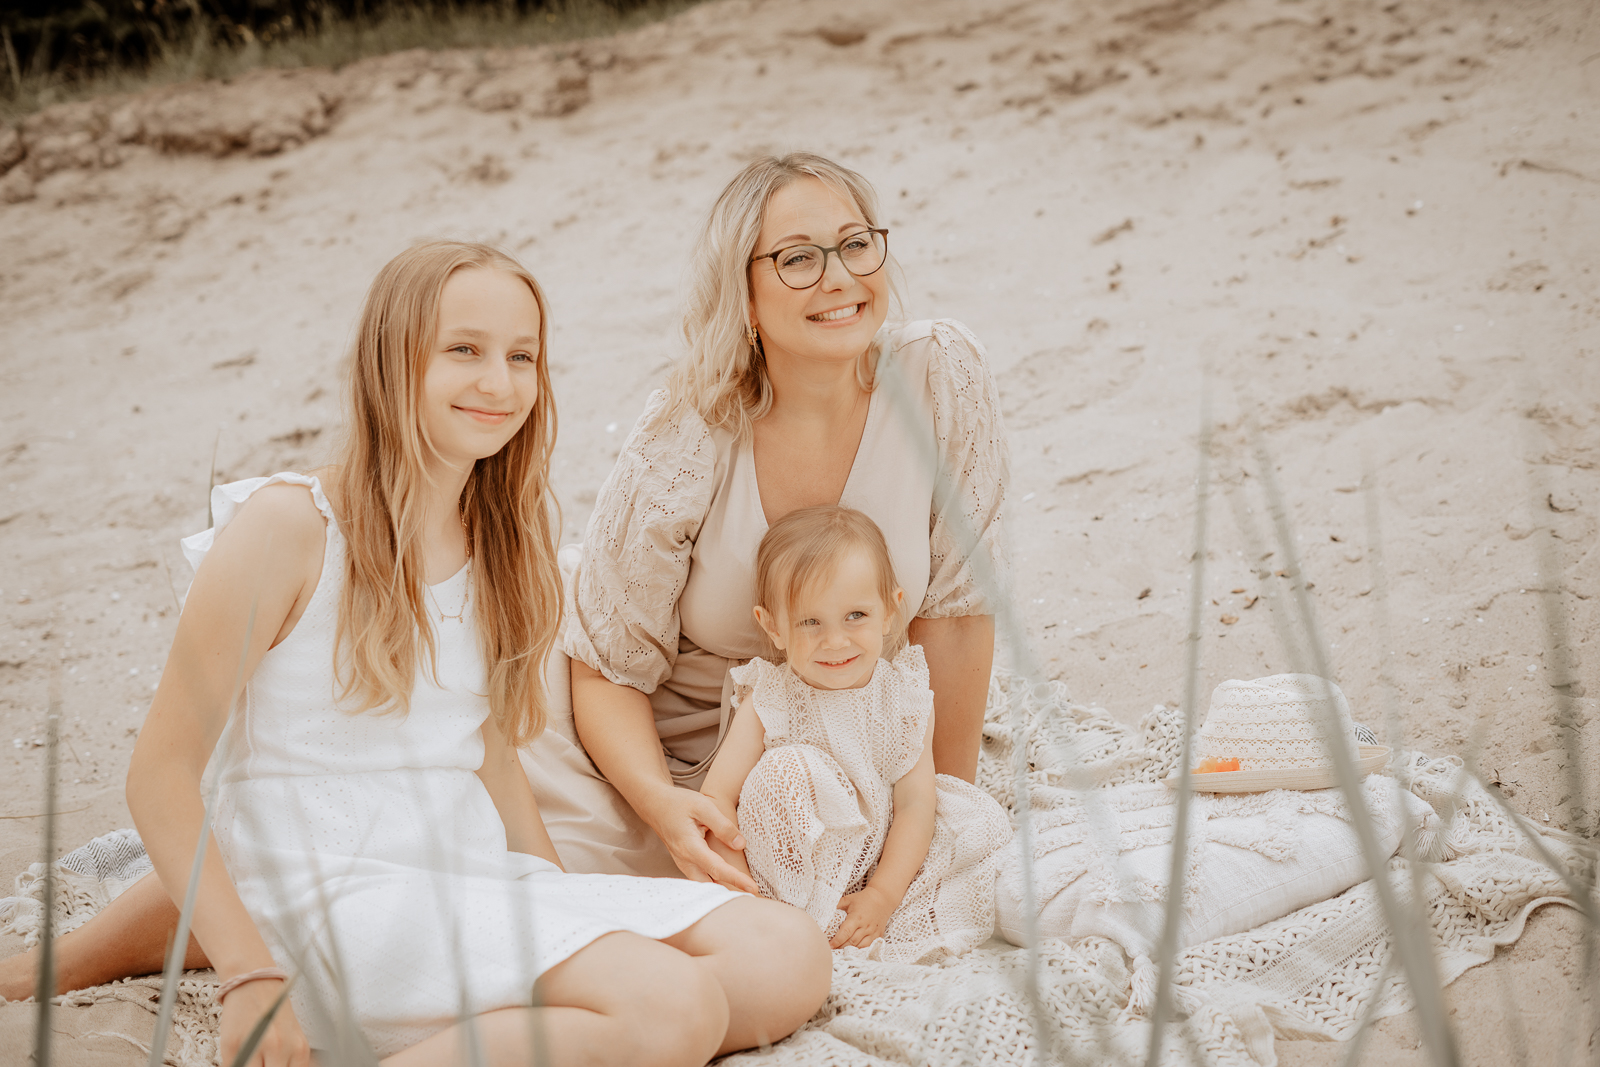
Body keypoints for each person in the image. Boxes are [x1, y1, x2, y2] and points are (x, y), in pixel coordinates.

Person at [25, 241, 830, 1067]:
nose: (500, 382)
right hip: (325, 892)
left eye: (523, 356)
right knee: (673, 1003)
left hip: (462, 873)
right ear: (393, 359)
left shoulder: (498, 538)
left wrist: (559, 903)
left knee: (786, 954)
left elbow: (483, 750)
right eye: (464, 350)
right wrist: (247, 972)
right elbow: (157, 774)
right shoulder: (289, 528)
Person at [562, 152, 1010, 893]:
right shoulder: (688, 428)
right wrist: (666, 809)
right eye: (798, 258)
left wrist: (937, 818)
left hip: (869, 738)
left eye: (857, 244)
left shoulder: (940, 373)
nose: (839, 277)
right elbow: (608, 667)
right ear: (743, 294)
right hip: (701, 769)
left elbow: (957, 615)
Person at [700, 506, 1011, 962]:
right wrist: (740, 893)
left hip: (874, 865)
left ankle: (867, 916)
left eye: (856, 616)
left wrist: (882, 895)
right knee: (788, 768)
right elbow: (716, 800)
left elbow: (915, 805)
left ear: (889, 611)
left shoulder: (902, 699)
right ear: (774, 626)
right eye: (810, 622)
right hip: (787, 871)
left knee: (974, 821)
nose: (836, 641)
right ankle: (788, 919)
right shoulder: (772, 697)